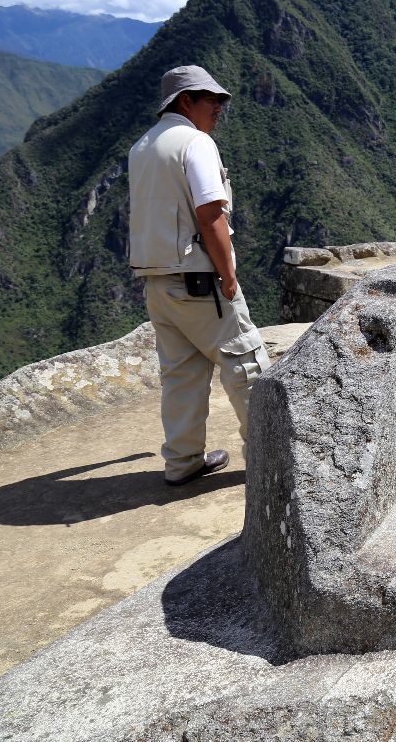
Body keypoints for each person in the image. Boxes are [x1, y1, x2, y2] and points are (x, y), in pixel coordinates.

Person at [128, 65, 270, 485]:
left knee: (182, 374)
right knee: (245, 362)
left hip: (157, 281)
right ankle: (270, 455)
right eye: (212, 100)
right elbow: (210, 215)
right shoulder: (196, 143)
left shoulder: (142, 146)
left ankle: (182, 462)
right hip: (198, 280)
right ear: (185, 101)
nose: (220, 108)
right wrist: (228, 276)